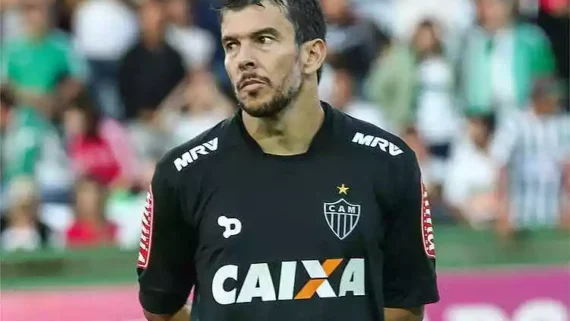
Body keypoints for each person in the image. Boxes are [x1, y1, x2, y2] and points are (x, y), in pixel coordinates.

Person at [136, 1, 439, 321]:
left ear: (312, 54)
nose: (244, 59)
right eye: (232, 45)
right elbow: (161, 309)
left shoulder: (388, 162)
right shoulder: (183, 173)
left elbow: (404, 307)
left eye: (264, 39)